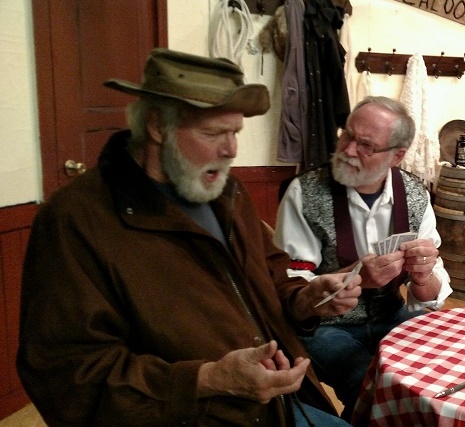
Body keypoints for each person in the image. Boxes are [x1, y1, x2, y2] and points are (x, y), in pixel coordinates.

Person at [16, 48, 361, 426]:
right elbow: (67, 375)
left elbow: (272, 276)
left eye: (235, 132)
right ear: (157, 126)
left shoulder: (227, 193)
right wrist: (208, 380)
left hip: (277, 406)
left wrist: (305, 299)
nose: (231, 150)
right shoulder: (76, 219)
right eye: (213, 133)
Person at [273, 96, 452, 420]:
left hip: (389, 314)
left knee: (438, 370)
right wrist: (356, 277)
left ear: (397, 155)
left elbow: (429, 295)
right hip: (324, 326)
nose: (349, 150)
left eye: (366, 145)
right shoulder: (305, 192)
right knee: (368, 381)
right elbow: (290, 284)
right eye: (347, 135)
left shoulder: (416, 195)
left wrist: (423, 276)